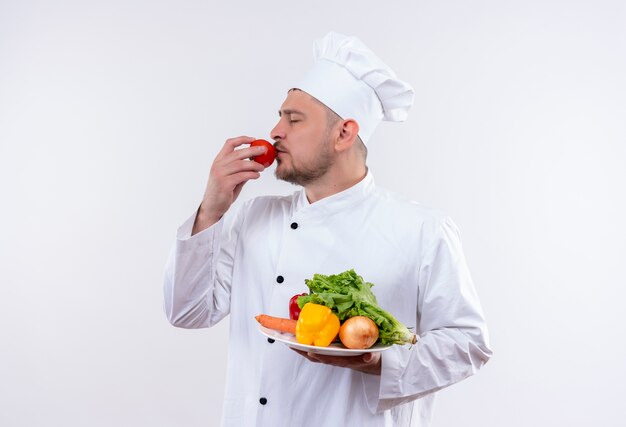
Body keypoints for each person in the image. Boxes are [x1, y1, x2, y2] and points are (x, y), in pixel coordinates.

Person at [164, 31, 492, 427]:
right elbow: (186, 312)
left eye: (293, 119)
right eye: (280, 116)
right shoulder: (255, 217)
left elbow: (468, 344)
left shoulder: (423, 228)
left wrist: (380, 361)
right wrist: (212, 209)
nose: (275, 132)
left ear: (344, 133)